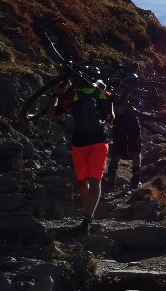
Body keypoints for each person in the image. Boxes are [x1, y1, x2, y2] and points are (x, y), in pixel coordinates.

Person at [48, 79, 113, 233]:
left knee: (82, 182)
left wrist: (54, 95)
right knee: (96, 180)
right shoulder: (104, 94)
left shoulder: (74, 95)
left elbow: (51, 115)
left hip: (79, 142)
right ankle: (87, 218)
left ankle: (87, 216)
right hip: (99, 141)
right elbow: (111, 119)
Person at [106, 68, 144, 190]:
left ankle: (112, 172)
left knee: (117, 148)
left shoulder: (117, 91)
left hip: (119, 121)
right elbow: (140, 108)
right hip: (132, 121)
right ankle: (135, 178)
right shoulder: (136, 92)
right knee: (136, 150)